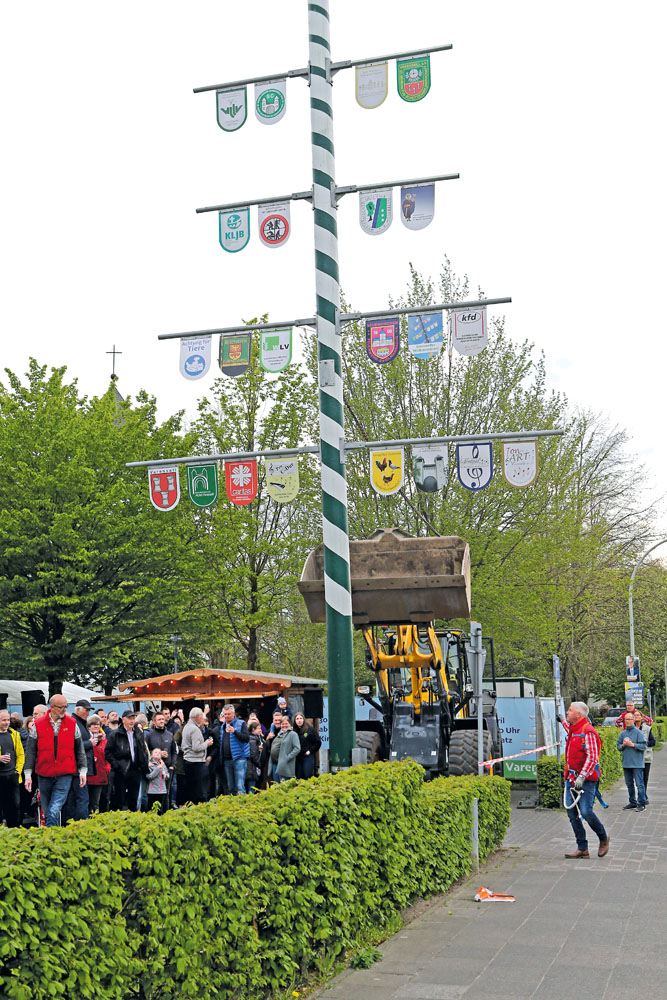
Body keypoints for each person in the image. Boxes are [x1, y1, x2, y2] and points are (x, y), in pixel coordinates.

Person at [23, 695, 87, 827]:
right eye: (61, 707)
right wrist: (28, 775)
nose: (64, 709)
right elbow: (30, 751)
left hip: (65, 773)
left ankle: (51, 838)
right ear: (51, 707)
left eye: (66, 706)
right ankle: (54, 836)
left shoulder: (72, 723)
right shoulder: (38, 725)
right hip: (44, 774)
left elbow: (79, 749)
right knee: (47, 811)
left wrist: (83, 770)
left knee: (54, 809)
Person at [559, 701, 610, 859]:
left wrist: (582, 776)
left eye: (569, 710)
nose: (567, 712)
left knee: (587, 812)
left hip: (586, 780)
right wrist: (561, 720)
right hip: (571, 778)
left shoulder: (588, 732)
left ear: (578, 715)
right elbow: (570, 729)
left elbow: (593, 757)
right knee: (571, 812)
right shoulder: (575, 729)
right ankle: (582, 848)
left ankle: (603, 838)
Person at [105, 710, 148, 811]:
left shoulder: (138, 733)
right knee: (120, 798)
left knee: (134, 798)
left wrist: (143, 765)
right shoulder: (115, 734)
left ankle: (132, 820)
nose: (132, 721)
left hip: (135, 769)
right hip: (121, 769)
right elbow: (108, 752)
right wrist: (116, 765)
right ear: (123, 720)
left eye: (133, 718)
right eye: (129, 719)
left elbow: (142, 750)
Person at [63, 698, 95, 822]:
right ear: (78, 710)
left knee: (73, 798)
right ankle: (81, 825)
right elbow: (71, 745)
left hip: (76, 768)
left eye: (89, 710)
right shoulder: (74, 723)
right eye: (86, 710)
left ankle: (71, 823)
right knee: (82, 798)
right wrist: (90, 743)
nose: (88, 713)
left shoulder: (79, 723)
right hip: (78, 769)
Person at [215, 705, 250, 796]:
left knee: (239, 786)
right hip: (227, 760)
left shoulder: (241, 723)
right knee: (230, 787)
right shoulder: (223, 726)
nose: (227, 716)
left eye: (229, 714)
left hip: (239, 758)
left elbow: (246, 738)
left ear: (233, 713)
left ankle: (243, 807)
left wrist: (235, 732)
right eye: (225, 714)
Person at [181, 708, 213, 804]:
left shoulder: (186, 726)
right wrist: (206, 743)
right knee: (196, 789)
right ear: (198, 717)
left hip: (187, 760)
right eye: (201, 717)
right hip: (195, 762)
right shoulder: (195, 729)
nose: (202, 719)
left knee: (190, 788)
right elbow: (196, 747)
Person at [617, 711, 647, 811]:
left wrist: (632, 745)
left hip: (637, 763)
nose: (628, 721)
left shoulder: (639, 733)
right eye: (626, 719)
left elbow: (643, 746)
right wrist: (624, 745)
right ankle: (632, 801)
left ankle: (641, 803)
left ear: (634, 720)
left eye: (630, 719)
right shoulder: (622, 734)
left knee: (639, 784)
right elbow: (618, 746)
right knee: (629, 784)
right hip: (626, 763)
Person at [0, 708, 25, 828]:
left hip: (12, 777)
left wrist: (17, 771)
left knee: (14, 809)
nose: (6, 722)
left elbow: (20, 754)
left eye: (7, 720)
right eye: (3, 720)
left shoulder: (15, 734)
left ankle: (15, 835)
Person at [86, 715, 110, 813]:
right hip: (88, 774)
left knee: (96, 801)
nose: (96, 726)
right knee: (86, 801)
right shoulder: (86, 739)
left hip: (100, 774)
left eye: (98, 724)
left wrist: (107, 768)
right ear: (88, 727)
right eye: (93, 724)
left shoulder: (104, 740)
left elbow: (108, 755)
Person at [634, 710, 655, 801]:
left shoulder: (647, 728)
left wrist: (643, 744)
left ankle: (643, 795)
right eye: (634, 715)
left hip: (646, 757)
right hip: (635, 758)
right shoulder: (631, 729)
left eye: (638, 715)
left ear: (642, 717)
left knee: (644, 777)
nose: (636, 717)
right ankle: (641, 796)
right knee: (638, 778)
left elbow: (653, 742)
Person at [293, 713, 321, 779]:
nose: (299, 720)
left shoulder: (310, 730)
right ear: (295, 721)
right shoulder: (294, 731)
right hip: (298, 757)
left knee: (307, 776)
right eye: (297, 719)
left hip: (307, 757)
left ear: (303, 719)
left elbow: (318, 742)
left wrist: (310, 751)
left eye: (300, 718)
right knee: (299, 776)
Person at [275, 716, 300, 783]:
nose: (284, 725)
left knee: (285, 787)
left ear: (290, 724)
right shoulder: (280, 734)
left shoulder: (293, 734)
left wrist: (287, 757)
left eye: (286, 723)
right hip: (279, 764)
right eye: (282, 724)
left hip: (287, 765)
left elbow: (297, 748)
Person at [146, 747, 170, 814]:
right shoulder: (149, 764)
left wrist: (165, 775)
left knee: (160, 809)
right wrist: (158, 768)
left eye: (159, 753)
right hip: (152, 791)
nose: (157, 754)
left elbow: (167, 774)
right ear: (151, 755)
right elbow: (149, 776)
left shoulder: (162, 764)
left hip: (162, 790)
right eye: (156, 752)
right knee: (151, 808)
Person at [246, 720, 265, 793]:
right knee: (252, 789)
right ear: (253, 729)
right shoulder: (252, 740)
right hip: (252, 768)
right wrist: (259, 764)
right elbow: (253, 755)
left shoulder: (257, 738)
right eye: (259, 728)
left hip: (253, 767)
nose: (260, 730)